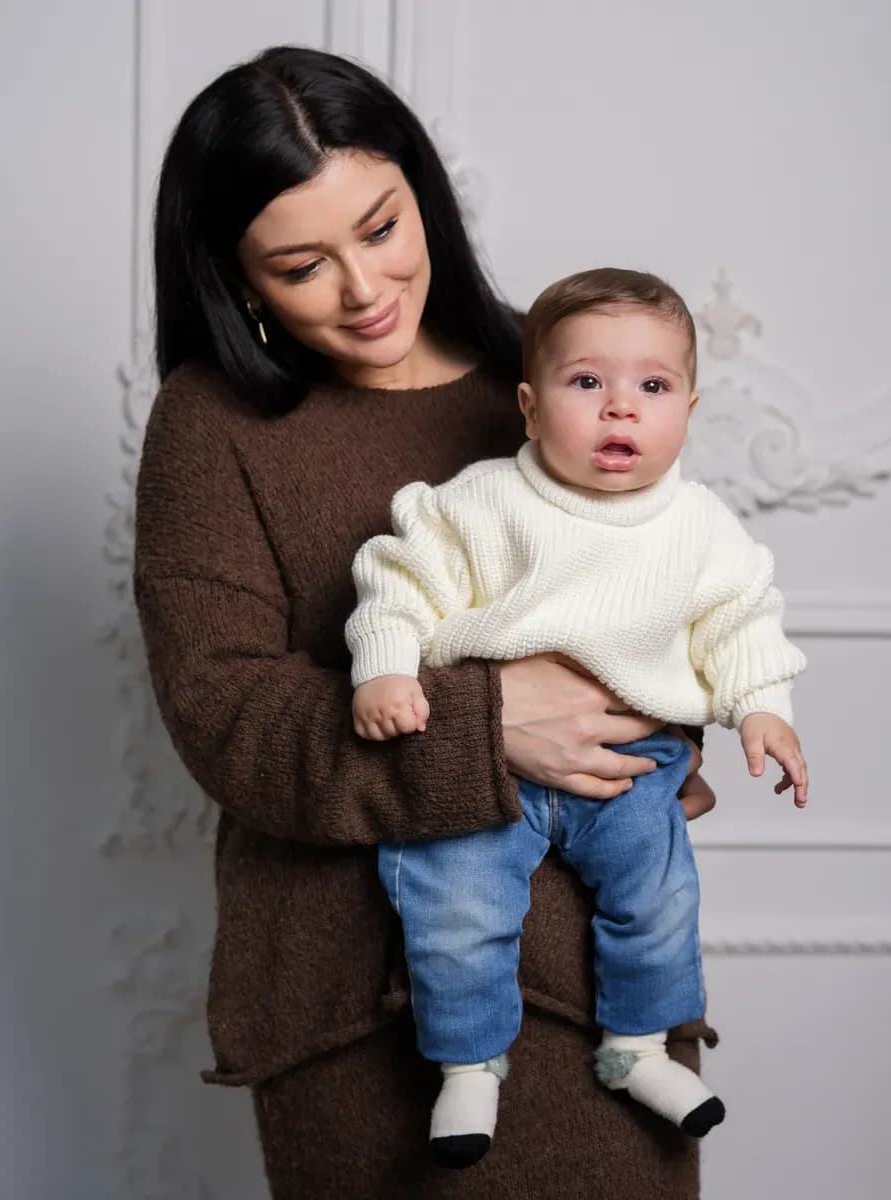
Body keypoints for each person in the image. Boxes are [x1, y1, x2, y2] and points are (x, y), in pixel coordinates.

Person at [135, 45, 719, 1199]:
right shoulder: (211, 426)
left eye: (383, 227)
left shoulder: (553, 372)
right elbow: (227, 719)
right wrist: (484, 724)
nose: (364, 287)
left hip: (609, 999)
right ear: (238, 280)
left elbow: (669, 580)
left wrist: (673, 728)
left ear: (426, 196)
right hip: (360, 1010)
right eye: (303, 265)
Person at [347, 267, 809, 1168]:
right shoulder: (482, 503)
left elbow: (742, 620)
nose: (620, 408)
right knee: (456, 904)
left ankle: (638, 1048)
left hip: (631, 770)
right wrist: (385, 669)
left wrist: (763, 708)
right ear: (529, 407)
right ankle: (468, 1064)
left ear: (689, 410)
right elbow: (397, 583)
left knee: (660, 899)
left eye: (653, 386)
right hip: (486, 766)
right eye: (587, 381)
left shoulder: (701, 525)